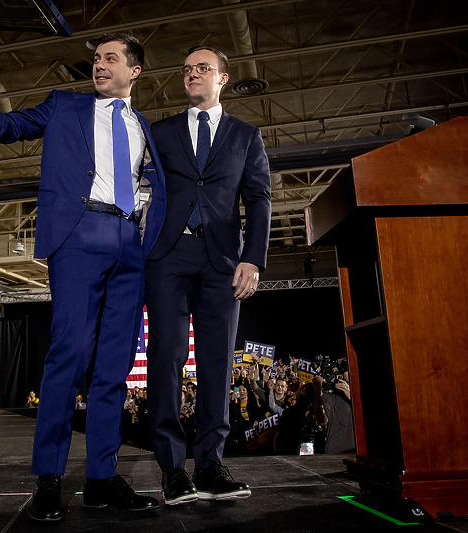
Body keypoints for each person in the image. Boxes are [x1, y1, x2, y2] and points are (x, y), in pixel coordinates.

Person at [0, 31, 165, 523]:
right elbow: (5, 126)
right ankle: (49, 479)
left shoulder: (145, 127)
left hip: (131, 244)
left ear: (135, 71)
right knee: (68, 354)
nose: (100, 65)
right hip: (79, 235)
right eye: (97, 58)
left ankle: (102, 479)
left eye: (111, 59)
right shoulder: (64, 107)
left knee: (114, 367)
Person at [145, 45, 271, 506]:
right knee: (166, 358)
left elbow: (258, 199)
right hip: (167, 257)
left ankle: (212, 464)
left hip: (224, 262)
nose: (192, 75)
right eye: (186, 70)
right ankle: (173, 469)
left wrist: (253, 258)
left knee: (217, 361)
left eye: (202, 68)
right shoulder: (159, 132)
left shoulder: (246, 135)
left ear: (223, 78)